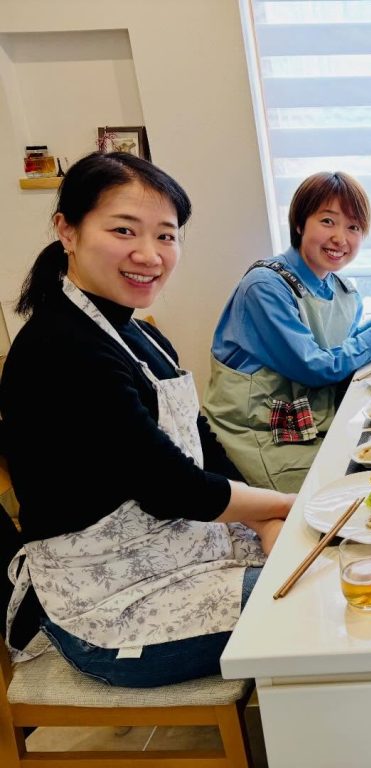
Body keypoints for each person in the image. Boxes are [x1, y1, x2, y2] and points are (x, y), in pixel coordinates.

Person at [1, 152, 295, 687]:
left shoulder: (140, 334)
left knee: (326, 566)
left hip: (179, 550)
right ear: (67, 231)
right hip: (112, 608)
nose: (149, 254)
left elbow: (202, 445)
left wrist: (265, 518)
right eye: (123, 230)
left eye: (166, 235)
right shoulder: (59, 348)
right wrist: (284, 508)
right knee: (319, 601)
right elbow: (170, 487)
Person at [204, 171, 371, 492]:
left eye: (353, 227)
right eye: (328, 221)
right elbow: (315, 367)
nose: (340, 238)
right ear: (300, 223)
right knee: (365, 488)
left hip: (316, 424)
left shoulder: (344, 291)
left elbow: (339, 348)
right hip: (263, 435)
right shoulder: (265, 287)